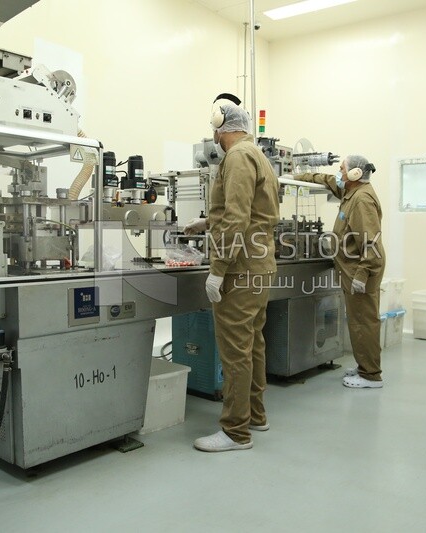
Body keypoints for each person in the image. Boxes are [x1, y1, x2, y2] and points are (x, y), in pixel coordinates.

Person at [183, 99, 280, 452]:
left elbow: (238, 218)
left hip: (240, 268)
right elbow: (249, 211)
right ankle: (255, 414)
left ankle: (236, 432)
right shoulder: (257, 156)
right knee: (252, 344)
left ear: (219, 126)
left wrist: (218, 270)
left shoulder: (237, 157)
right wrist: (208, 222)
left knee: (235, 351)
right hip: (260, 264)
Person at [292, 155, 386, 388]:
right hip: (353, 269)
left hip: (361, 270)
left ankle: (371, 375)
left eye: (341, 168)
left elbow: (371, 243)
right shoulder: (350, 192)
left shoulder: (361, 200)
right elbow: (325, 179)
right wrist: (295, 177)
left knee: (363, 323)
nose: (338, 172)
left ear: (354, 174)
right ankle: (365, 366)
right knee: (358, 321)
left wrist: (362, 276)